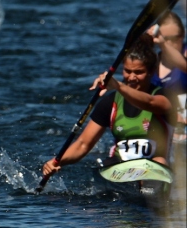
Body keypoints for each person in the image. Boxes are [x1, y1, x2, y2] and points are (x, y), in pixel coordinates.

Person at [42, 35, 174, 181]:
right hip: (119, 168)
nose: (131, 77)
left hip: (154, 168)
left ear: (152, 71)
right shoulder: (110, 102)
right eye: (127, 71)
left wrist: (118, 85)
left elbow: (149, 103)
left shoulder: (164, 96)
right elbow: (83, 144)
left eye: (138, 72)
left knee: (160, 162)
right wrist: (56, 161)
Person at [150, 12, 186, 143]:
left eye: (175, 38)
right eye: (165, 38)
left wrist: (163, 44)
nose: (170, 43)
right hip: (162, 125)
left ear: (183, 36)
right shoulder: (150, 63)